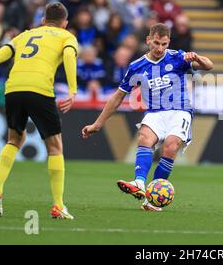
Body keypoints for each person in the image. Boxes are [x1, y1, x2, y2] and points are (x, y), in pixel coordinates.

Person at [81, 23, 213, 211]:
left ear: (169, 43)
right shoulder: (136, 67)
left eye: (164, 44)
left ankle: (152, 200)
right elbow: (118, 97)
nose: (160, 48)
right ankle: (139, 184)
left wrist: (197, 57)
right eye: (157, 43)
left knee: (170, 146)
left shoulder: (177, 57)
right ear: (148, 40)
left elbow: (209, 66)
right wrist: (97, 124)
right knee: (144, 138)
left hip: (180, 110)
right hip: (154, 112)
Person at [0, 2, 78, 220]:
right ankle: (58, 205)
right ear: (65, 24)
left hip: (13, 88)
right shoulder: (66, 37)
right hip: (39, 88)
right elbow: (69, 56)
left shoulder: (25, 35)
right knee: (55, 147)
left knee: (14, 139)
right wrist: (72, 90)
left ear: (42, 20)